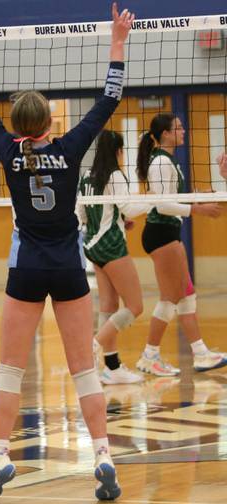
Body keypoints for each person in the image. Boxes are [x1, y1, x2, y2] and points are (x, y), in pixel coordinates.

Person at [0, 4, 134, 501]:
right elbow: (108, 99)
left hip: (26, 269)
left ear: (17, 126)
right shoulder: (73, 145)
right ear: (49, 122)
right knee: (83, 367)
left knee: (12, 368)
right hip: (68, 268)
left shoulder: (8, 151)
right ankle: (102, 453)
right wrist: (117, 41)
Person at [134, 113, 226, 375]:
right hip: (161, 233)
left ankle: (200, 353)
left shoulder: (168, 161)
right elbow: (162, 205)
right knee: (170, 299)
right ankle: (150, 355)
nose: (183, 130)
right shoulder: (161, 162)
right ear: (165, 134)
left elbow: (175, 196)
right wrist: (198, 209)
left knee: (186, 296)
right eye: (178, 127)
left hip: (167, 232)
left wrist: (205, 195)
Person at [78, 131, 148, 384]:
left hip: (92, 244)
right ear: (118, 151)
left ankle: (112, 367)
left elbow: (82, 213)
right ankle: (94, 345)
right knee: (135, 306)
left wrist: (118, 220)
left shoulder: (87, 175)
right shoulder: (115, 175)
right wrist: (154, 201)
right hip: (111, 246)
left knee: (108, 306)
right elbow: (128, 207)